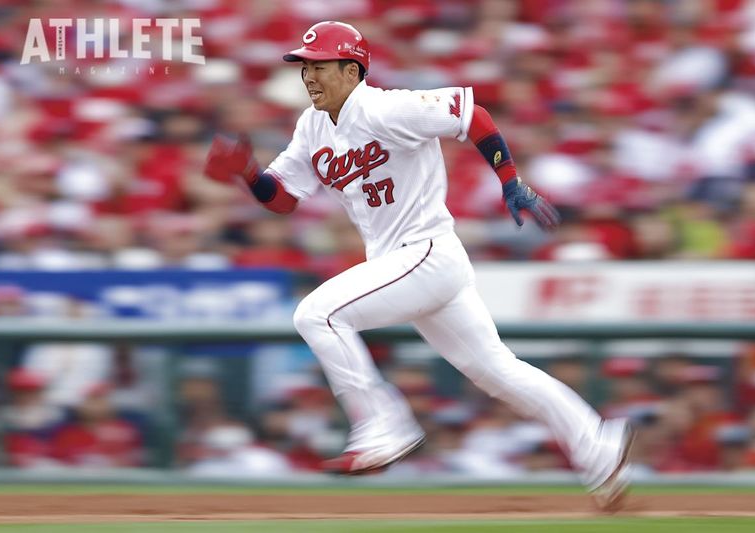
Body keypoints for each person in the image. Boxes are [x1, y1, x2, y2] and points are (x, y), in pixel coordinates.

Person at [204, 21, 632, 510]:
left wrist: (510, 179)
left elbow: (472, 116)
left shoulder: (386, 108)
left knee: (316, 314)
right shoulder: (312, 125)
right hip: (408, 264)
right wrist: (248, 173)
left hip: (425, 251)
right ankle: (597, 442)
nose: (309, 77)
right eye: (305, 67)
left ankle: (383, 424)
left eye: (319, 66)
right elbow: (283, 198)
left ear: (352, 70)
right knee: (498, 372)